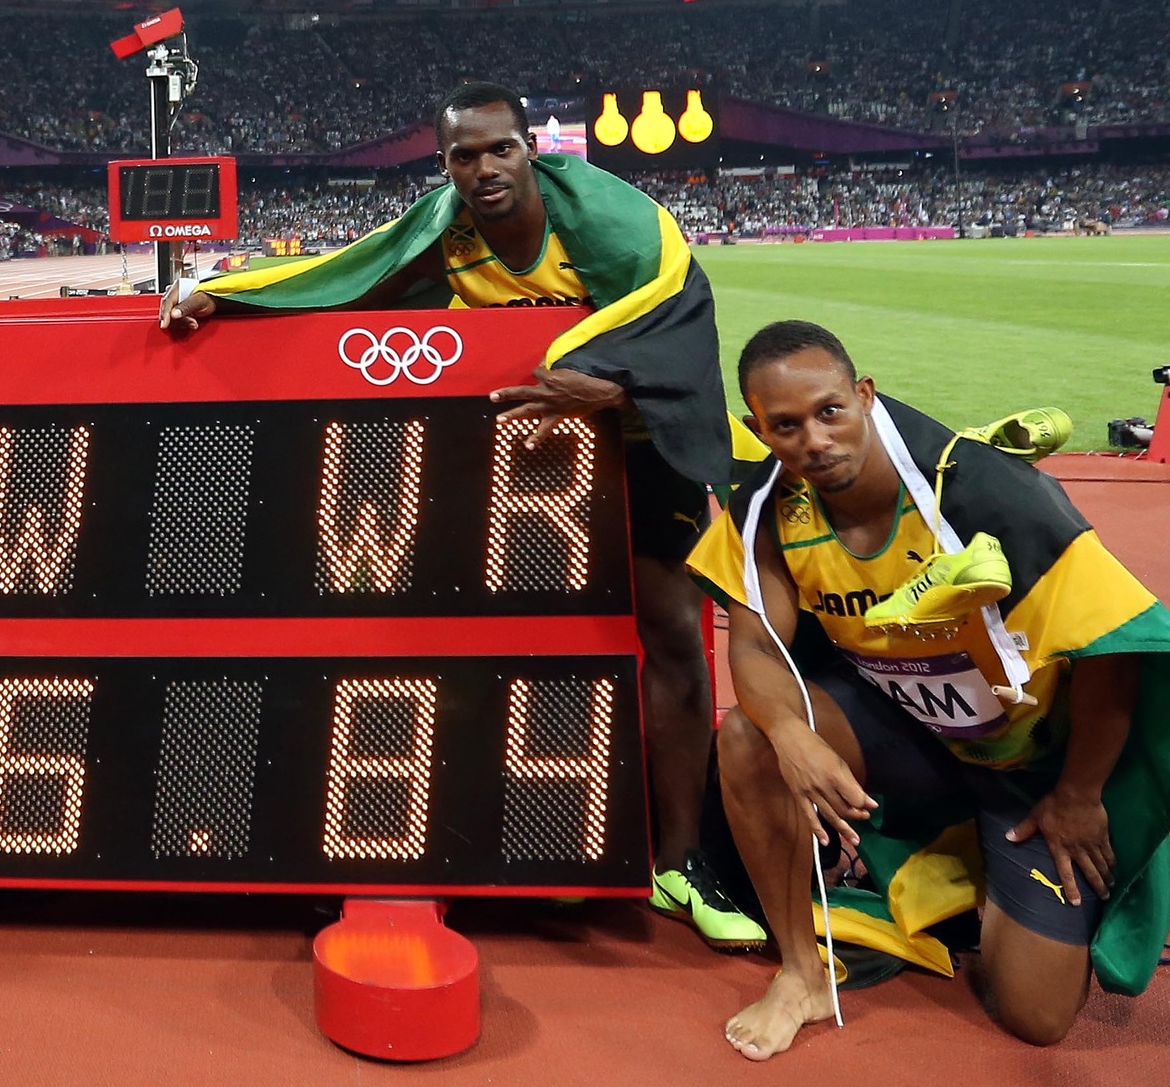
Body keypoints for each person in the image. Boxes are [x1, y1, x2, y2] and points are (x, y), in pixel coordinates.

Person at [161, 81, 760, 949]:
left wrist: (610, 380)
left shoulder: (611, 221)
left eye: (499, 149)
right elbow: (350, 274)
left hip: (638, 435)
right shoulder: (447, 226)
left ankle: (681, 859)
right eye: (462, 155)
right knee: (542, 637)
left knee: (670, 629)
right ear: (444, 163)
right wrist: (233, 293)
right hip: (541, 456)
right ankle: (563, 843)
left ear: (532, 148)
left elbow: (678, 304)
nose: (482, 169)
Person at [692, 320, 1170, 1059]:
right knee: (748, 735)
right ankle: (803, 973)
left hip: (1026, 771)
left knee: (1036, 1014)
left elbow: (1113, 648)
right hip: (903, 734)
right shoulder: (768, 507)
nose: (814, 439)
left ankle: (981, 876)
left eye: (830, 410)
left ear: (864, 396)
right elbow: (751, 642)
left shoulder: (982, 490)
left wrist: (1078, 794)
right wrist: (792, 734)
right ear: (760, 428)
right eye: (786, 424)